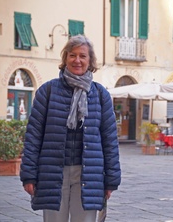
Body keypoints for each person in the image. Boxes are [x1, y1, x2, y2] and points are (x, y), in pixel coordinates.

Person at [20, 35, 121, 222]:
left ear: (90, 61)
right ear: (65, 58)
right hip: (52, 171)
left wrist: (111, 179)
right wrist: (29, 175)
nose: (77, 60)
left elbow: (109, 140)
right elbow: (33, 136)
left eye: (82, 56)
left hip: (89, 173)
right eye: (72, 55)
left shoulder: (100, 95)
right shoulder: (47, 91)